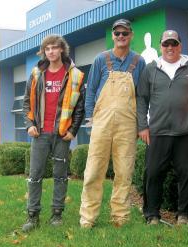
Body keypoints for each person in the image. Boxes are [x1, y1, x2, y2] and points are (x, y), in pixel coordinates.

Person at [79, 19, 145, 228]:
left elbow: (142, 95)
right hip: (102, 122)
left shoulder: (139, 61)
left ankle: (121, 217)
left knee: (124, 171)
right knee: (93, 171)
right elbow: (90, 91)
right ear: (113, 36)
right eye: (117, 34)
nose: (121, 37)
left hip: (127, 123)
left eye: (124, 33)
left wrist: (140, 124)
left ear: (131, 35)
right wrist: (90, 119)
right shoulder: (101, 59)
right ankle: (87, 218)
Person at [137, 30, 188, 225]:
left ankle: (183, 214)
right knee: (153, 173)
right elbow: (141, 99)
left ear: (180, 46)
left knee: (187, 174)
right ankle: (152, 214)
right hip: (157, 131)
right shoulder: (150, 69)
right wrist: (142, 126)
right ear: (161, 46)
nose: (170, 48)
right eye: (166, 44)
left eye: (174, 43)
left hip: (185, 131)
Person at [22, 34, 85, 232]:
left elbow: (80, 107)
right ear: (44, 52)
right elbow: (26, 103)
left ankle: (57, 214)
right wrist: (29, 124)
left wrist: (73, 130)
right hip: (39, 134)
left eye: (54, 48)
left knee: (60, 176)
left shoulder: (74, 75)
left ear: (61, 50)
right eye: (47, 48)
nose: (51, 51)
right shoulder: (36, 74)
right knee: (35, 176)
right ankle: (33, 216)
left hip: (61, 135)